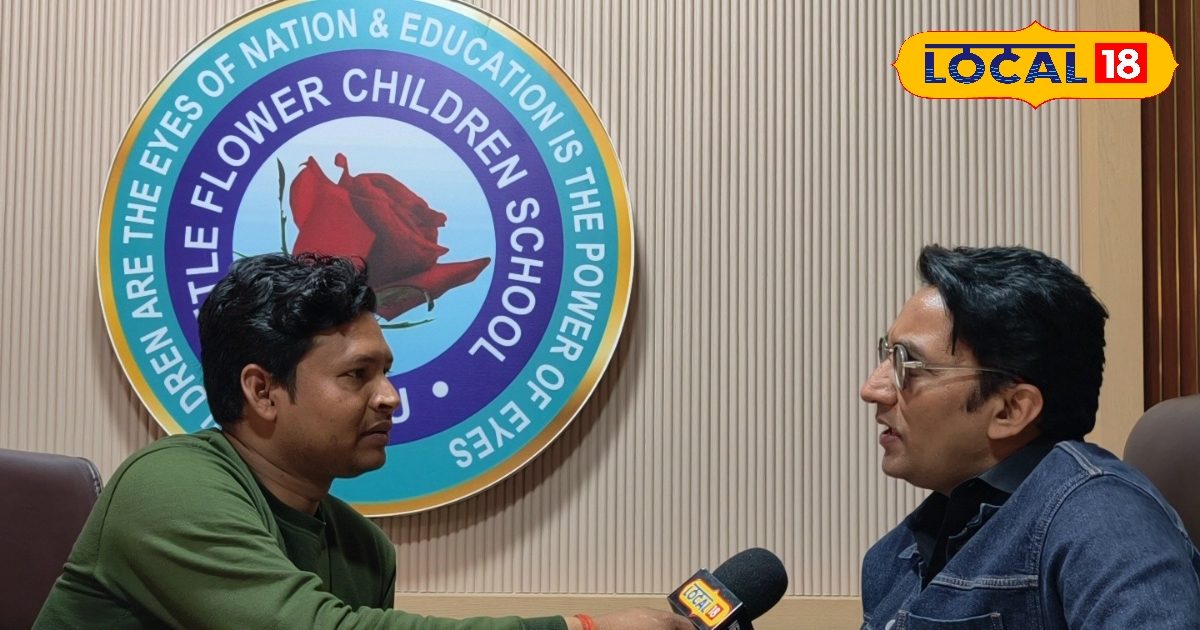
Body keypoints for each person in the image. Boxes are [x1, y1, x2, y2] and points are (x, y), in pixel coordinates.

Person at [36, 253, 689, 630]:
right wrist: (582, 628)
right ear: (262, 391)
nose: (390, 397)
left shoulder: (364, 551)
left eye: (386, 372)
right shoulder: (166, 485)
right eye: (357, 375)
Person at [858, 245, 1200, 629]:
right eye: (887, 353)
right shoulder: (892, 558)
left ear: (1011, 410)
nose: (872, 389)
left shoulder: (1104, 523)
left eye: (907, 364)